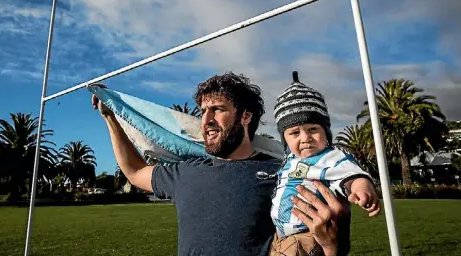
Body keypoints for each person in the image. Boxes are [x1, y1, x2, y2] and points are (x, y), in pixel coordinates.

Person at [91, 72, 350, 256]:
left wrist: (331, 247)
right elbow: (135, 172)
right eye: (203, 111)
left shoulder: (283, 174)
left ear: (245, 116)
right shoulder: (187, 171)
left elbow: (315, 240)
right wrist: (111, 119)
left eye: (217, 109)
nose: (206, 120)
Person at [269, 71, 381, 256]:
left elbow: (352, 174)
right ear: (285, 139)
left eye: (313, 129)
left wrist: (362, 189)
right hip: (280, 236)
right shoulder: (291, 160)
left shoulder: (331, 157)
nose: (306, 138)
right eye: (295, 133)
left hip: (307, 236)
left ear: (326, 132)